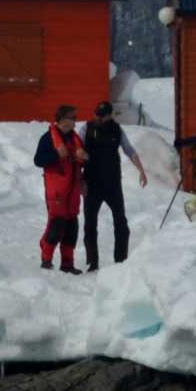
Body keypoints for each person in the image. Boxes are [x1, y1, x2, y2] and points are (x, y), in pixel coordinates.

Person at [81, 100, 148, 271]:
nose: (98, 117)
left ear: (110, 115)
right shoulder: (86, 128)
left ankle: (121, 260)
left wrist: (141, 170)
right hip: (91, 183)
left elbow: (129, 150)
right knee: (90, 224)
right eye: (97, 114)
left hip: (112, 184)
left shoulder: (117, 129)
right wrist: (80, 180)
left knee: (121, 223)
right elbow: (77, 152)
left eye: (102, 115)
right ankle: (92, 262)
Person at [35, 104, 88, 273]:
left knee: (72, 227)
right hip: (56, 191)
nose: (75, 121)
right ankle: (46, 259)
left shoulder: (74, 139)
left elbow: (83, 162)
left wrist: (85, 158)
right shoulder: (48, 138)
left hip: (73, 191)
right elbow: (38, 160)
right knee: (57, 225)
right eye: (73, 117)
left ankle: (67, 264)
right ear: (63, 119)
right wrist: (57, 155)